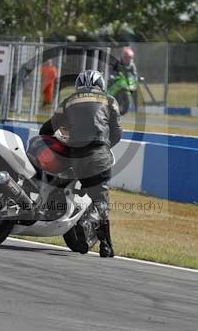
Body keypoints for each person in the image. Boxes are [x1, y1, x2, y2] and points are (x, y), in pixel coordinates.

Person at [39, 70, 122, 257]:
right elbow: (117, 132)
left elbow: (47, 128)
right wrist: (105, 147)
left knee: (94, 196)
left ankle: (106, 246)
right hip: (98, 154)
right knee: (101, 201)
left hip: (75, 157)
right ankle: (85, 224)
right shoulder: (109, 100)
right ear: (101, 84)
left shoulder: (69, 100)